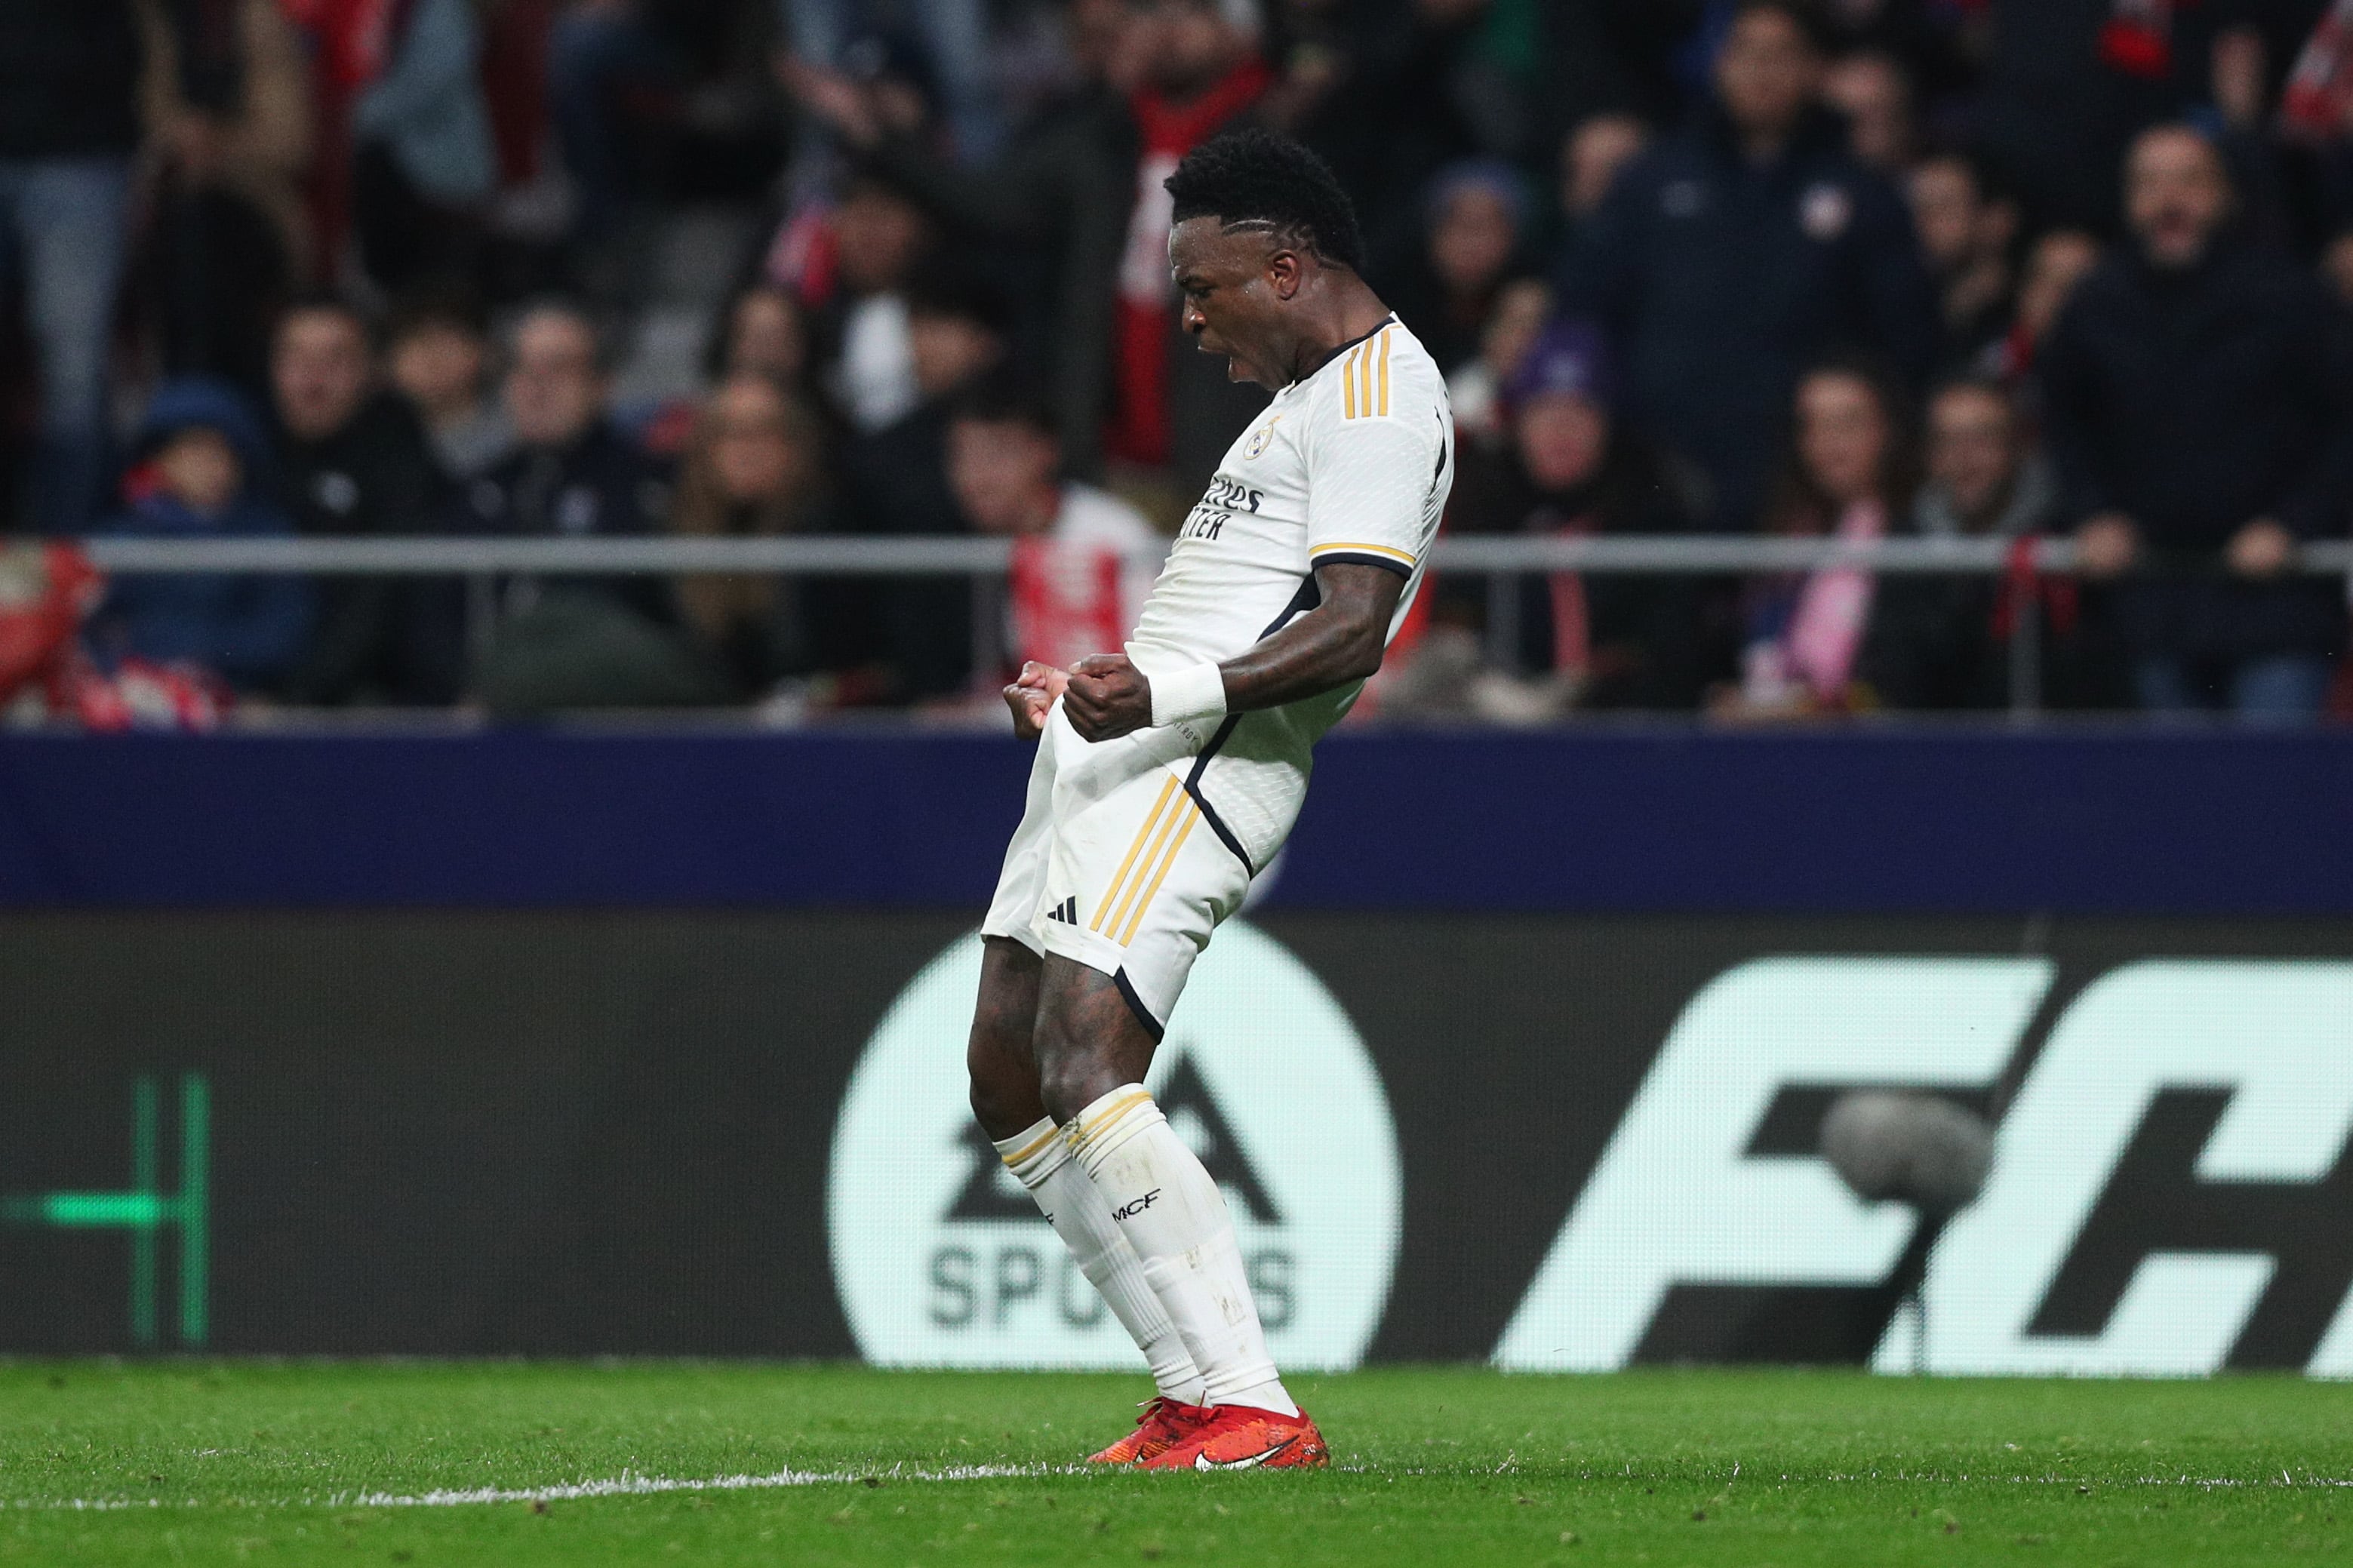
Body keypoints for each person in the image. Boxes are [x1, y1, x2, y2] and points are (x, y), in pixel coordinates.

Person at [966, 130, 1449, 1471]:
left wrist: (1160, 704)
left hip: (1194, 767)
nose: (1185, 320)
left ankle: (1247, 1399)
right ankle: (1191, 1387)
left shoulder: (1372, 401)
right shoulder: (1305, 400)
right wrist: (1092, 693)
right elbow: (1242, 608)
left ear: (1286, 268)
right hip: (1121, 751)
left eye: (1203, 288)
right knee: (1005, 1068)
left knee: (1082, 1048)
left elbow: (1353, 626)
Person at [1558, 0, 1939, 531]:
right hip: (1657, 477)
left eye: (1781, 54)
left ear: (1815, 70)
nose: (1762, 71)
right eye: (1746, 52)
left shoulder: (1861, 193)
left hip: (1805, 486)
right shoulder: (1652, 182)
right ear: (1719, 63)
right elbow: (1586, 313)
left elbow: (1905, 339)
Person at [2039, 124, 2353, 721]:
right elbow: (2064, 426)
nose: (2168, 200)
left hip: (2274, 603)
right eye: (2149, 183)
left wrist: (2296, 523)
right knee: (2174, 802)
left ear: (2228, 194)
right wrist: (2092, 513)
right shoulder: (2096, 303)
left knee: (2269, 799)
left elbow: (2345, 428)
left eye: (2189, 180)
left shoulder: (2290, 298)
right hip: (2153, 603)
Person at [2, 2, 238, 527]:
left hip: (85, 144)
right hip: (81, 144)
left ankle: (68, 559)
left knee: (76, 371)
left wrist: (196, 96)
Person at [1444, 320, 1710, 715]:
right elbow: (1455, 627)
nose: (1561, 428)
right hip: (1496, 731)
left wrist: (1587, 688)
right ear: (1516, 422)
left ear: (1609, 421)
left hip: (1626, 732)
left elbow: (1674, 650)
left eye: (1581, 408)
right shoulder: (1480, 506)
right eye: (1544, 409)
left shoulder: (1654, 510)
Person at [461, 300, 712, 712]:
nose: (536, 385)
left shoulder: (648, 488)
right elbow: (433, 620)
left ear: (601, 384)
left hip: (610, 718)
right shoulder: (476, 490)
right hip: (476, 720)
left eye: (558, 368)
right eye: (522, 369)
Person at [269, 296, 458, 705]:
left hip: (376, 701)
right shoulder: (247, 449)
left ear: (371, 372)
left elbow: (379, 595)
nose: (312, 377)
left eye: (335, 359)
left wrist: (296, 699)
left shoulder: (397, 451)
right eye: (296, 357)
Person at [1716, 358, 1915, 718]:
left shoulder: (1915, 537)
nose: (1829, 442)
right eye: (1814, 426)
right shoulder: (1784, 533)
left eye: (1847, 423)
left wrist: (1800, 708)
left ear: (1887, 431)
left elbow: (1903, 684)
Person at [87, 378, 312, 696]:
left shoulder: (266, 533)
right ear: (159, 459)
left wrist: (192, 649)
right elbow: (92, 630)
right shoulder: (121, 537)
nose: (208, 464)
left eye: (221, 450)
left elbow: (282, 631)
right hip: (133, 697)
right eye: (192, 449)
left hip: (240, 697)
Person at [1854, 376, 2067, 710]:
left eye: (1982, 439)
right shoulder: (1904, 546)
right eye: (1947, 441)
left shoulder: (2063, 542)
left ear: (2018, 447)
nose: (1964, 458)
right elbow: (1891, 674)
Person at [948, 375, 1164, 678]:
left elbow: (1152, 654)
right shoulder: (946, 540)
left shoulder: (1115, 533)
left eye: (997, 455)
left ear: (1046, 451)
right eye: (963, 457)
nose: (978, 479)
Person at [667, 374, 831, 696]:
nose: (746, 448)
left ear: (795, 445)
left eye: (764, 432)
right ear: (705, 448)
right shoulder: (667, 536)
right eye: (730, 433)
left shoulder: (832, 536)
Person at [386, 289, 513, 480]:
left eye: (446, 343)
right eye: (416, 343)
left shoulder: (521, 433)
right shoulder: (379, 441)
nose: (432, 359)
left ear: (483, 351)